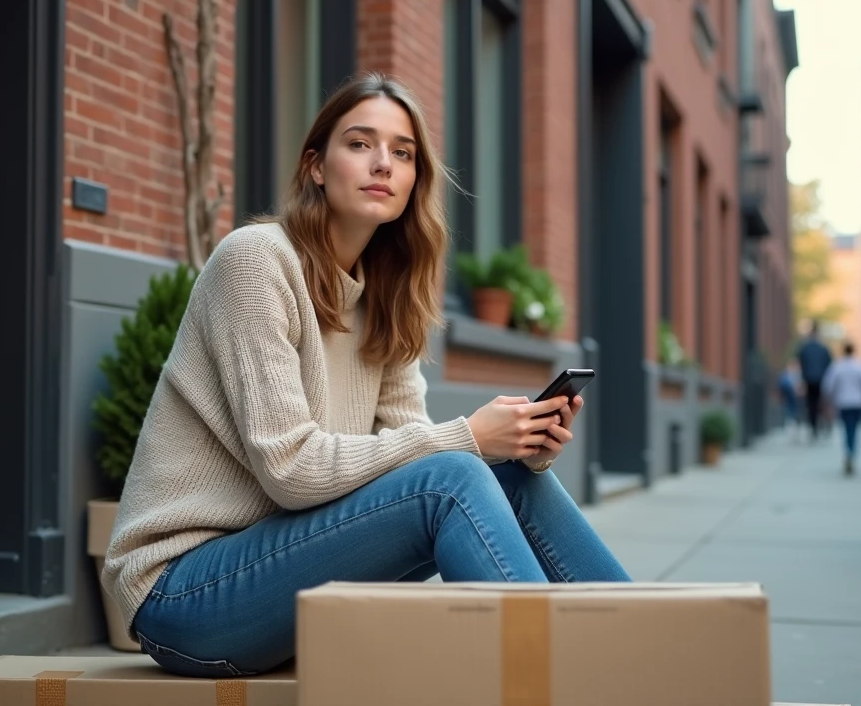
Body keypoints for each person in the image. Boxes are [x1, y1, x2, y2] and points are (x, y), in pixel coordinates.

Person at [101, 72, 630, 678]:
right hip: (184, 593)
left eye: (402, 153)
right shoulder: (255, 260)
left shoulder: (388, 295)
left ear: (413, 181)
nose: (382, 163)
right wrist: (470, 438)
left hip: (287, 565)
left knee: (502, 476)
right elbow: (290, 470)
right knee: (458, 473)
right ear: (316, 167)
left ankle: (642, 661)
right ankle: (551, 682)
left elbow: (411, 455)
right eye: (359, 144)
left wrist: (519, 447)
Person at [822, 342, 861, 476]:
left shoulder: (837, 366)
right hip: (858, 402)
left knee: (847, 428)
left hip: (843, 402)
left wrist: (829, 398)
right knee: (854, 428)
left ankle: (849, 452)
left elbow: (828, 385)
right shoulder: (860, 366)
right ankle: (852, 452)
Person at [797, 322, 833, 439]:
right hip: (821, 379)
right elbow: (829, 364)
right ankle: (822, 423)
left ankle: (814, 426)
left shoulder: (805, 347)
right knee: (821, 402)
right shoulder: (823, 348)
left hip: (809, 380)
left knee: (811, 404)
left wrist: (802, 379)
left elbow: (801, 363)